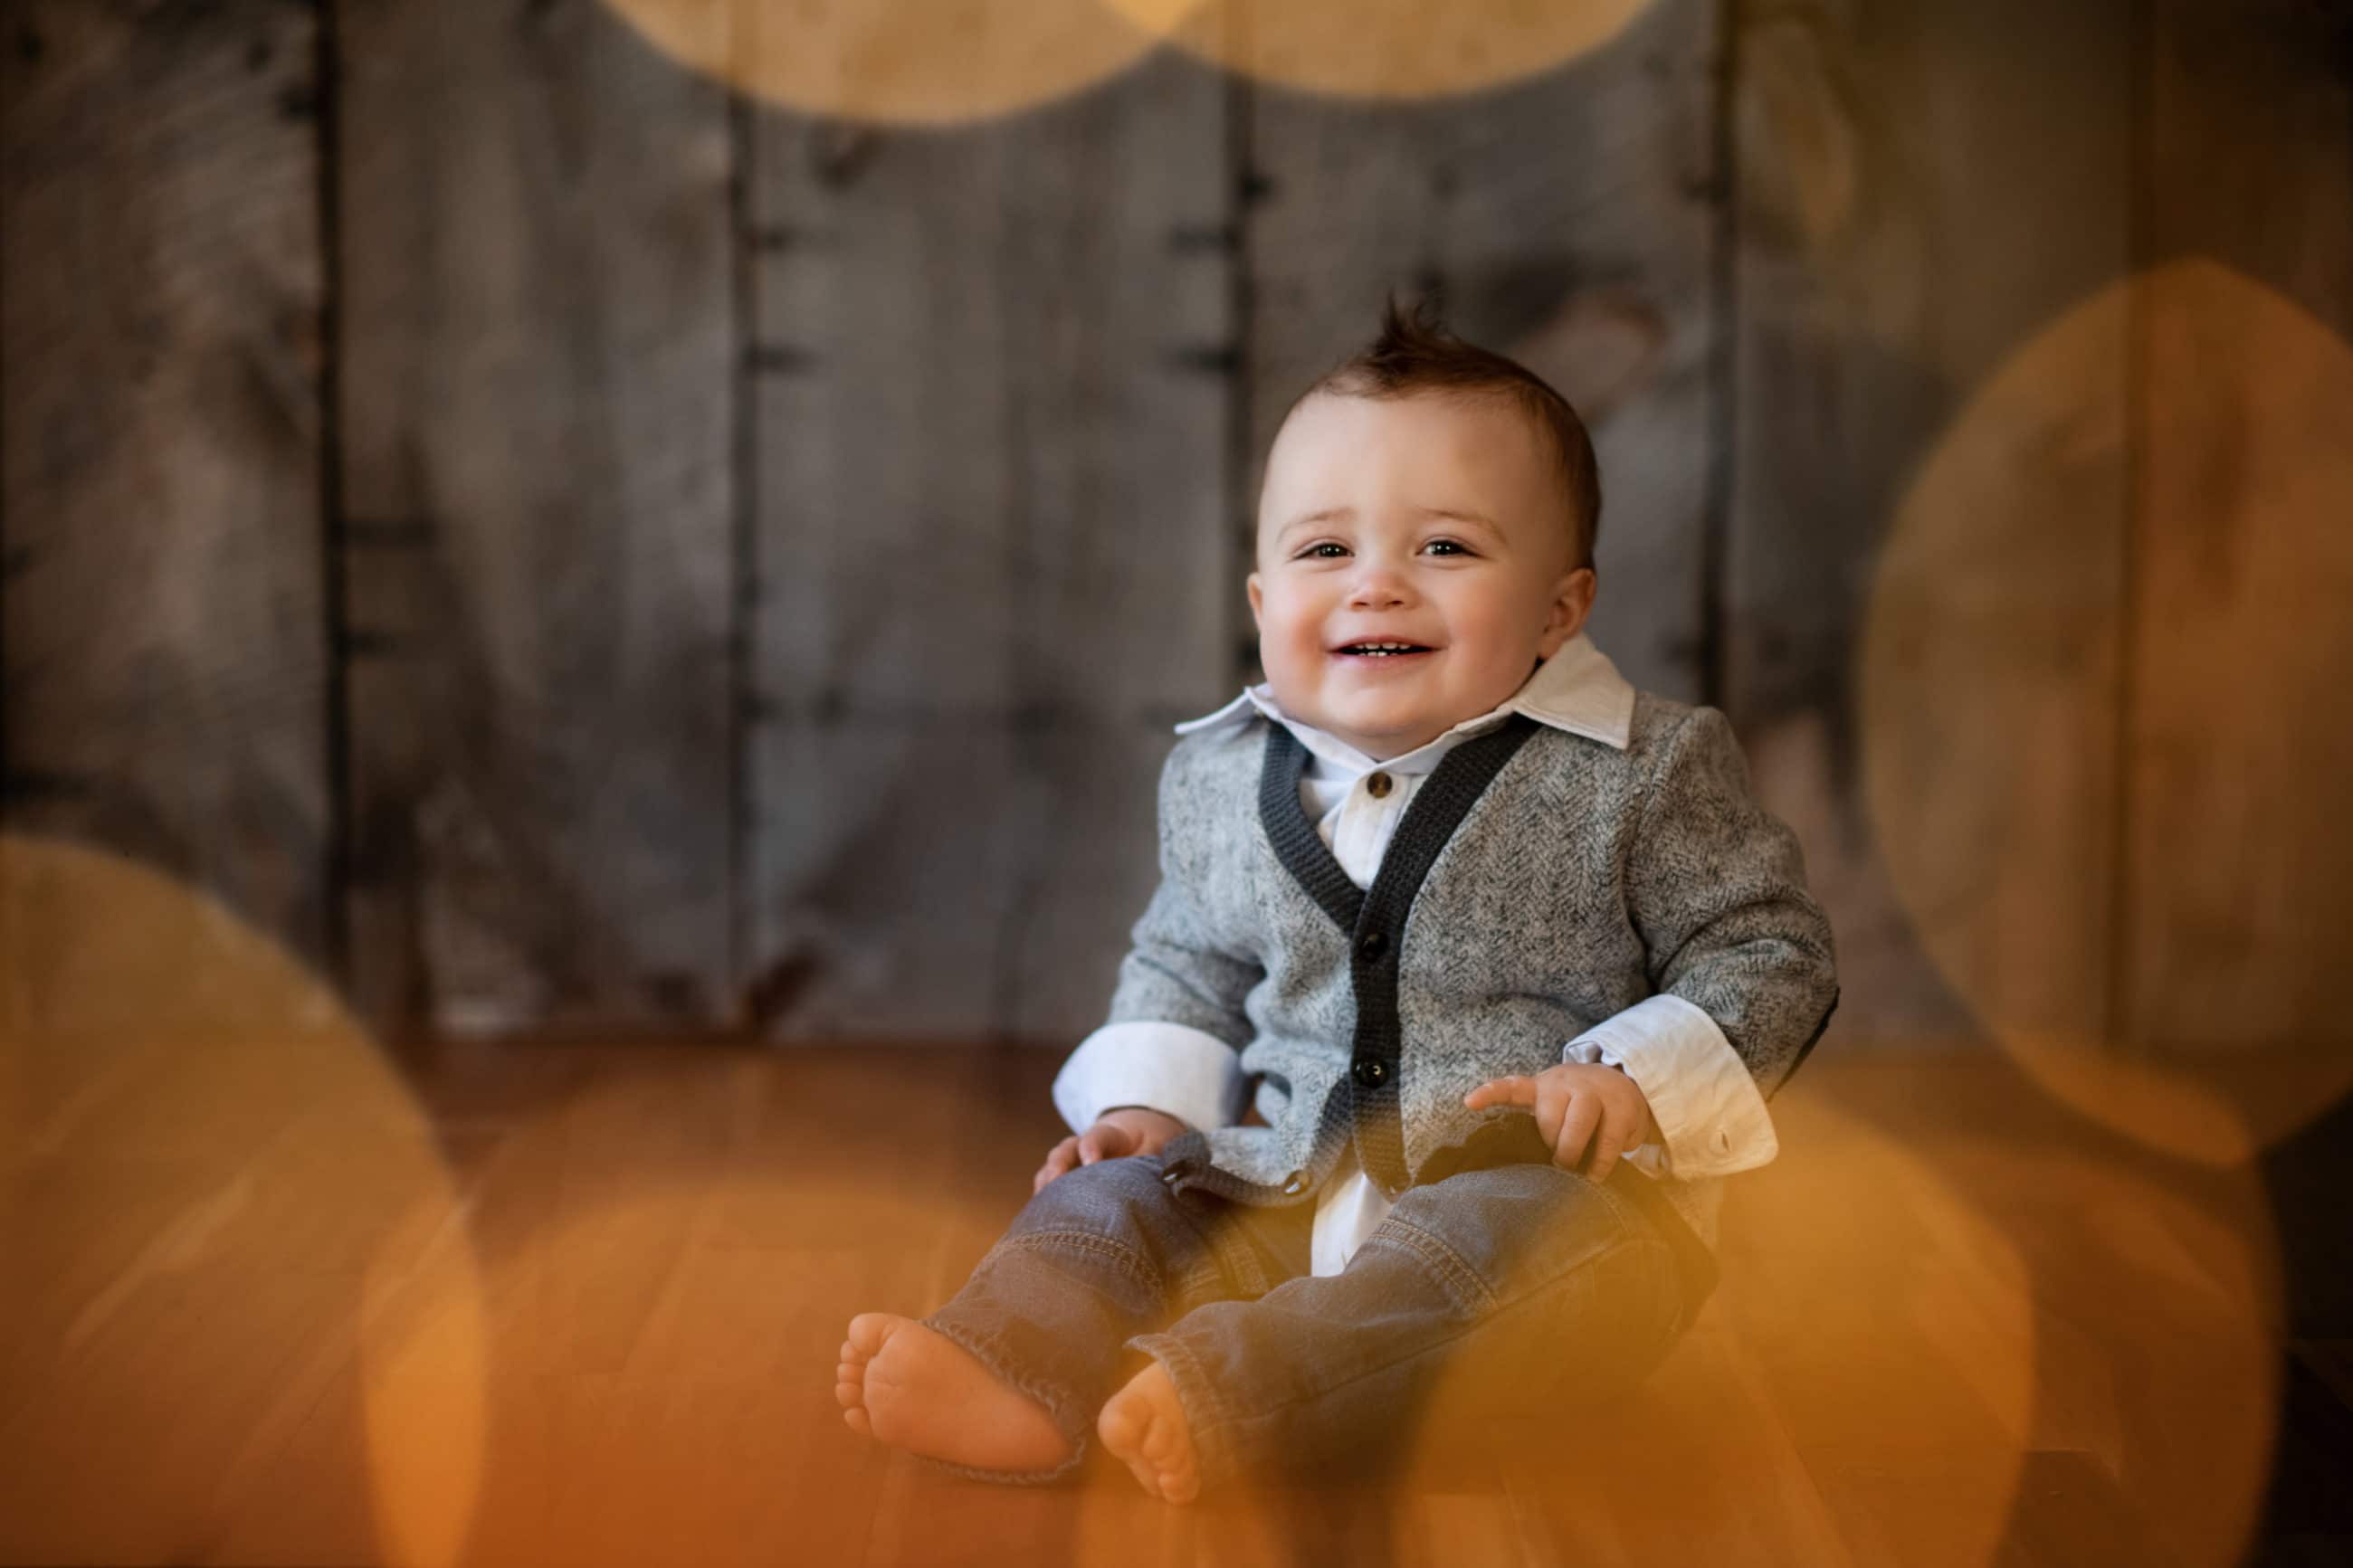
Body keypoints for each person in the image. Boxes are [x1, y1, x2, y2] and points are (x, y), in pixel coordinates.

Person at [834, 294, 1839, 1503]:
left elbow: (1767, 947)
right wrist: (1147, 1108)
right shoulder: (1218, 777)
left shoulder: (1639, 768)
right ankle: (1018, 1370)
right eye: (1325, 551)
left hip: (1553, 1211)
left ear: (1559, 608)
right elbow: (1185, 961)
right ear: (1264, 604)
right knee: (1110, 1202)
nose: (1378, 587)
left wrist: (1629, 1074)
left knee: (1499, 1258)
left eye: (1446, 548)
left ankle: (1239, 1397)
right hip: (1282, 1186)